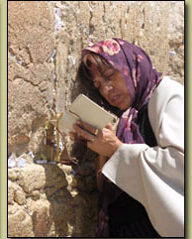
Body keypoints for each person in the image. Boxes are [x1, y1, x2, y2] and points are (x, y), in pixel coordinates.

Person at [72, 38, 184, 237]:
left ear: (131, 65)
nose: (106, 89)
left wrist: (117, 150)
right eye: (98, 85)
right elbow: (109, 186)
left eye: (109, 76)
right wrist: (101, 148)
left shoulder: (170, 96)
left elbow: (181, 165)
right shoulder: (126, 118)